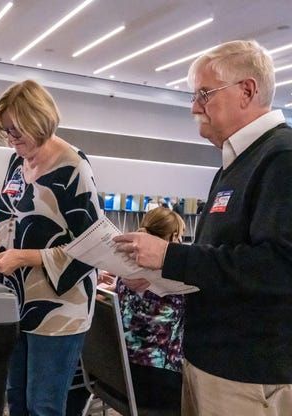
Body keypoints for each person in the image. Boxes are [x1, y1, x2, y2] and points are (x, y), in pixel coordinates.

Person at [113, 40, 292, 415]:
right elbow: (222, 258)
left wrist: (171, 256)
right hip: (207, 361)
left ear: (246, 91)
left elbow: (278, 266)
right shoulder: (234, 164)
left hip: (246, 373)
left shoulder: (281, 158)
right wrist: (161, 275)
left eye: (204, 94)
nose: (195, 107)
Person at [0, 80, 101, 416]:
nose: (11, 138)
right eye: (5, 130)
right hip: (18, 300)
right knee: (16, 397)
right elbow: (8, 218)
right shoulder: (17, 161)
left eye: (16, 130)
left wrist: (25, 257)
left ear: (38, 120)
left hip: (59, 307)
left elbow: (93, 245)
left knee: (43, 405)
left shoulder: (73, 168)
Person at [100, 207, 185, 412]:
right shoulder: (176, 283)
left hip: (118, 376)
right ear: (174, 237)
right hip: (159, 385)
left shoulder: (123, 275)